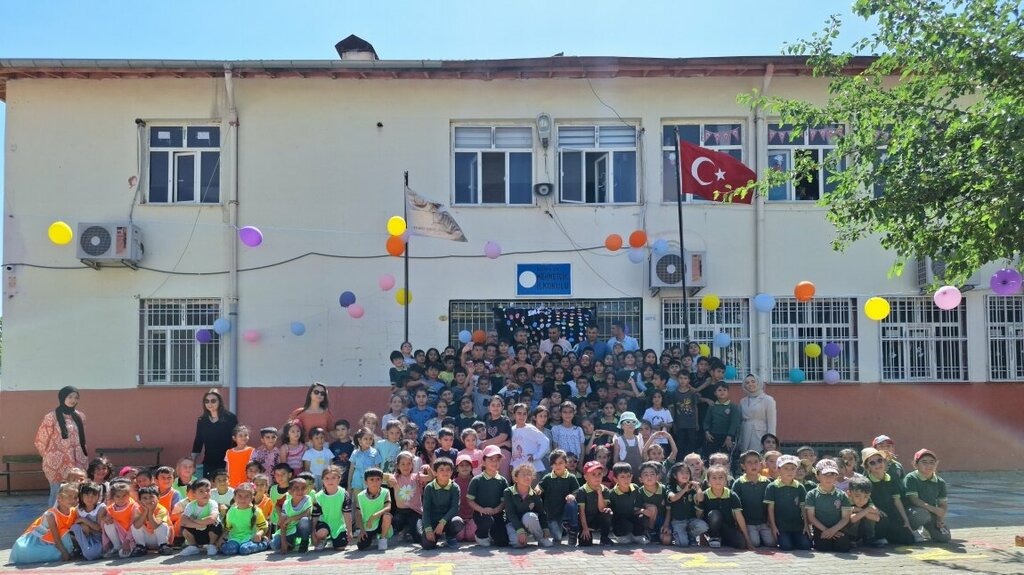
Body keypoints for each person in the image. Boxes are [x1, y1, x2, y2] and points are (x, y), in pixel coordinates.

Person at [34, 386, 89, 505]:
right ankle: (53, 520)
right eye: (70, 397)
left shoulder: (80, 416)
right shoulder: (51, 417)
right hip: (57, 464)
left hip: (77, 462)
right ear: (62, 397)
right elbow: (41, 440)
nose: (73, 400)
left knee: (76, 494)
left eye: (76, 397)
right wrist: (50, 456)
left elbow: (82, 439)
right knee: (57, 494)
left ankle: (73, 521)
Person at [10, 482, 79, 564]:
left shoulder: (74, 511)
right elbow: (56, 539)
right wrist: (64, 553)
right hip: (38, 540)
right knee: (28, 553)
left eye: (75, 497)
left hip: (56, 539)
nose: (73, 500)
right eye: (69, 496)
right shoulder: (50, 515)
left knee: (65, 535)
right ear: (59, 498)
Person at [862, 446, 915, 545]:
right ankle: (873, 537)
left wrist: (906, 521)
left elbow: (897, 501)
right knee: (882, 519)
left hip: (892, 515)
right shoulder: (866, 482)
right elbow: (865, 502)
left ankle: (888, 536)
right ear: (867, 467)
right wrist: (875, 509)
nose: (877, 464)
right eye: (872, 463)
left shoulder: (891, 479)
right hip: (876, 516)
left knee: (909, 539)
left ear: (884, 461)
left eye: (879, 460)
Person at [697, 464, 752, 549]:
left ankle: (723, 540)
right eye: (714, 478)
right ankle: (714, 537)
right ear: (708, 481)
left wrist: (747, 539)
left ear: (726, 480)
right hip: (711, 527)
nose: (717, 480)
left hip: (728, 526)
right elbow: (699, 515)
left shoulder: (731, 495)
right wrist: (701, 537)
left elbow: (739, 516)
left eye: (721, 477)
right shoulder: (705, 495)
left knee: (741, 544)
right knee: (714, 514)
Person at [904, 448, 951, 543]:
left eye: (932, 462)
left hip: (930, 513)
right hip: (913, 512)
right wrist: (934, 509)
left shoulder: (940, 482)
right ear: (915, 464)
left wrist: (940, 519)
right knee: (922, 515)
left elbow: (943, 504)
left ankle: (926, 530)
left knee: (944, 537)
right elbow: (914, 499)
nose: (929, 465)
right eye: (924, 462)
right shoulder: (911, 478)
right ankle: (910, 531)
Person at [764, 454, 811, 551]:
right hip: (781, 525)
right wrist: (773, 526)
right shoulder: (772, 487)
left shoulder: (799, 487)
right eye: (786, 468)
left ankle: (795, 538)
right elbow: (770, 508)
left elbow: (803, 507)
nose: (790, 471)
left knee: (806, 546)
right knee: (786, 546)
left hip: (797, 525)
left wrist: (806, 525)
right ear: (779, 469)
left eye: (793, 468)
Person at [804, 459, 852, 552]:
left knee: (842, 547)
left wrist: (833, 530)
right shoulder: (811, 494)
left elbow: (845, 518)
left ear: (836, 476)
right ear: (817, 476)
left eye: (832, 475)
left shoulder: (842, 495)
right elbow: (811, 517)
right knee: (824, 547)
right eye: (825, 474)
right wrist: (826, 530)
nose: (828, 478)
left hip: (838, 528)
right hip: (820, 529)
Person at [468, 445, 511, 547]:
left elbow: (504, 501)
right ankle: (481, 535)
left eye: (497, 459)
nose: (494, 462)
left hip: (497, 514)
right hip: (481, 514)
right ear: (483, 461)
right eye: (491, 459)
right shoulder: (476, 480)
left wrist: (496, 510)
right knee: (487, 521)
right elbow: (470, 500)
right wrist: (482, 509)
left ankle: (492, 533)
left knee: (503, 542)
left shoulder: (502, 480)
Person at [191, 389, 239, 480]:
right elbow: (198, 440)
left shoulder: (230, 418)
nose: (210, 404)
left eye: (213, 401)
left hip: (226, 461)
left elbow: (235, 440)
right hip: (209, 461)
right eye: (207, 401)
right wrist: (193, 461)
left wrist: (233, 460)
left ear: (219, 401)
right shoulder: (202, 420)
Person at [503, 463, 553, 548]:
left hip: (527, 523)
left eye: (530, 474)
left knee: (530, 516)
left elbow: (541, 513)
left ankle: (541, 538)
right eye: (523, 475)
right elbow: (510, 513)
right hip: (513, 523)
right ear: (515, 478)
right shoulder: (508, 492)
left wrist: (545, 529)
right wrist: (520, 530)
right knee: (518, 544)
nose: (527, 477)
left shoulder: (534, 494)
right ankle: (522, 537)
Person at [537, 450, 580, 545]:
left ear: (566, 463)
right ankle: (563, 529)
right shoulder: (547, 478)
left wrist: (572, 495)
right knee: (558, 538)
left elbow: (576, 492)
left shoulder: (571, 477)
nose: (558, 466)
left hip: (565, 513)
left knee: (572, 503)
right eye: (555, 463)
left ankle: (572, 530)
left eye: (561, 463)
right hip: (552, 515)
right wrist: (537, 489)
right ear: (551, 465)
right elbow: (539, 487)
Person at [732, 450, 774, 548]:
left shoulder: (767, 482)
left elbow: (771, 505)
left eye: (756, 462)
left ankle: (762, 537)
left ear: (761, 465)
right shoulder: (738, 483)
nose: (753, 465)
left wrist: (770, 522)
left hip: (764, 522)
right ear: (743, 466)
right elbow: (735, 508)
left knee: (771, 543)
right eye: (749, 462)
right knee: (755, 543)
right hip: (748, 523)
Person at [420, 458, 465, 550]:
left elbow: (454, 508)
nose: (445, 472)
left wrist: (442, 522)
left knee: (458, 522)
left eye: (448, 469)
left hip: (447, 521)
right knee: (427, 545)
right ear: (435, 472)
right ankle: (435, 536)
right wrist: (428, 529)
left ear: (452, 472)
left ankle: (450, 536)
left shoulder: (455, 487)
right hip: (433, 521)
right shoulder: (429, 487)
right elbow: (426, 510)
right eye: (441, 469)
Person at [387, 451, 430, 544]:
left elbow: (430, 477)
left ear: (412, 465)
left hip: (415, 512)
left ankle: (411, 529)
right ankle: (405, 528)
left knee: (419, 537)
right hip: (401, 512)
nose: (406, 466)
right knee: (396, 522)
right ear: (397, 466)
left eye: (408, 464)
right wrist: (389, 476)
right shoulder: (395, 477)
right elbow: (381, 476)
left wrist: (428, 469)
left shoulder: (416, 476)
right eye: (402, 464)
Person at [666, 462, 707, 547]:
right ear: (674, 476)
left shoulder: (692, 486)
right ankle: (679, 535)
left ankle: (691, 536)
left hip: (690, 520)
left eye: (687, 473)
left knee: (703, 526)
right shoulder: (671, 486)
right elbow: (673, 498)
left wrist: (698, 487)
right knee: (682, 543)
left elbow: (700, 499)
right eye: (682, 473)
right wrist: (684, 490)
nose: (685, 475)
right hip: (678, 521)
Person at [179, 478, 224, 557]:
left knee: (216, 524)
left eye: (208, 490)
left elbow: (212, 519)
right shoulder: (190, 505)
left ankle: (212, 545)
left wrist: (194, 520)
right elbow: (183, 521)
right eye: (201, 491)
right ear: (194, 494)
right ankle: (193, 546)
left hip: (210, 533)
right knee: (183, 527)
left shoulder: (212, 503)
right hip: (197, 533)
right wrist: (200, 525)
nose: (205, 493)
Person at [574, 460, 613, 547]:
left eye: (599, 474)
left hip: (598, 519)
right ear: (586, 477)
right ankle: (583, 532)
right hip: (586, 520)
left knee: (607, 512)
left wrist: (599, 493)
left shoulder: (605, 490)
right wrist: (585, 528)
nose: (597, 477)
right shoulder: (582, 490)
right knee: (585, 543)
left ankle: (604, 537)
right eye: (593, 474)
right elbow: (581, 511)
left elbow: (602, 509)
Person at [312, 465, 351, 551]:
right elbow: (315, 517)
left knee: (340, 547)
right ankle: (322, 539)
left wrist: (349, 531)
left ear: (339, 479)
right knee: (321, 533)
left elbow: (347, 514)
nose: (330, 481)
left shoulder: (344, 494)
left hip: (339, 525)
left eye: (333, 478)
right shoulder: (318, 496)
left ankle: (337, 537)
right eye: (327, 478)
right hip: (324, 524)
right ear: (322, 480)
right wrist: (313, 534)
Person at [355, 468, 393, 551]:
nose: (375, 482)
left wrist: (374, 516)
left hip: (380, 522)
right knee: (361, 546)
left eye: (378, 479)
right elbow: (358, 514)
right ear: (366, 482)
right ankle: (373, 536)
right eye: (371, 479)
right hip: (368, 525)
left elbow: (388, 507)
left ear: (382, 481)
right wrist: (361, 530)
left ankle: (382, 538)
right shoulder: (360, 496)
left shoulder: (386, 492)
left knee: (387, 516)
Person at [608, 462, 646, 544]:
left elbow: (639, 502)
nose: (626, 479)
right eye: (622, 477)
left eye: (628, 476)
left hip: (632, 514)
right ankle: (620, 536)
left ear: (632, 476)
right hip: (619, 519)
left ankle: (637, 535)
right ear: (615, 479)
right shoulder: (612, 493)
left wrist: (639, 510)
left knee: (641, 517)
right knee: (626, 525)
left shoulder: (635, 488)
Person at [737, 374, 776, 454]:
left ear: (758, 383)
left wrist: (771, 440)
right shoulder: (743, 401)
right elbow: (739, 420)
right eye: (747, 383)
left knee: (758, 456)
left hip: (760, 433)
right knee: (746, 456)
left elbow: (772, 421)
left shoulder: (768, 400)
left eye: (753, 381)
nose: (750, 384)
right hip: (745, 432)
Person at [272, 477, 313, 553]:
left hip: (301, 529)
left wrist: (291, 518)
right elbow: (283, 523)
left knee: (305, 520)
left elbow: (307, 513)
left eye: (303, 488)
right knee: (275, 544)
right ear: (289, 492)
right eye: (296, 488)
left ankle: (304, 542)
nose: (300, 491)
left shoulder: (307, 498)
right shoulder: (286, 503)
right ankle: (290, 544)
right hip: (289, 529)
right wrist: (283, 542)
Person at [130, 486, 173, 556]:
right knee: (134, 526)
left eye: (151, 497)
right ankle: (141, 546)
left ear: (158, 498)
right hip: (148, 538)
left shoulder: (162, 509)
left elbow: (155, 525)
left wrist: (151, 512)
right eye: (145, 498)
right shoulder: (139, 509)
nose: (148, 500)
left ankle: (163, 545)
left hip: (160, 537)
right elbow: (137, 526)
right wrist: (145, 511)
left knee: (163, 525)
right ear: (140, 500)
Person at [703, 383, 741, 459]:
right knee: (712, 457)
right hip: (713, 436)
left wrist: (729, 436)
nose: (722, 392)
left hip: (727, 436)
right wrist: (707, 432)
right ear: (715, 393)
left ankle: (729, 470)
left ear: (728, 392)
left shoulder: (732, 406)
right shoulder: (712, 406)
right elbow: (707, 420)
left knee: (727, 457)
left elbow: (734, 423)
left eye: (724, 390)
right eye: (719, 390)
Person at [510, 403, 551, 474]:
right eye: (519, 413)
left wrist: (535, 456)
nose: (522, 416)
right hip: (518, 468)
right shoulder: (512, 429)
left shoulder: (530, 428)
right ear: (514, 415)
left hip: (533, 468)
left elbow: (545, 441)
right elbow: (513, 449)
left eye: (524, 414)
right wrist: (511, 463)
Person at [844, 476, 880, 548]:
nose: (862, 500)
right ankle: (852, 540)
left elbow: (877, 517)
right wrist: (866, 510)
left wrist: (863, 511)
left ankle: (869, 539)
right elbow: (852, 519)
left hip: (861, 527)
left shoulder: (868, 500)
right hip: (846, 530)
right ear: (849, 493)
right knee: (854, 516)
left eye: (866, 496)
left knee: (872, 517)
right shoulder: (845, 499)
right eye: (857, 496)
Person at [453, 455, 478, 541]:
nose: (464, 467)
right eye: (461, 465)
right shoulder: (452, 483)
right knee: (459, 537)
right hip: (457, 517)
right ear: (457, 468)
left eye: (467, 465)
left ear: (471, 468)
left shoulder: (476, 482)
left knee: (471, 536)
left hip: (473, 517)